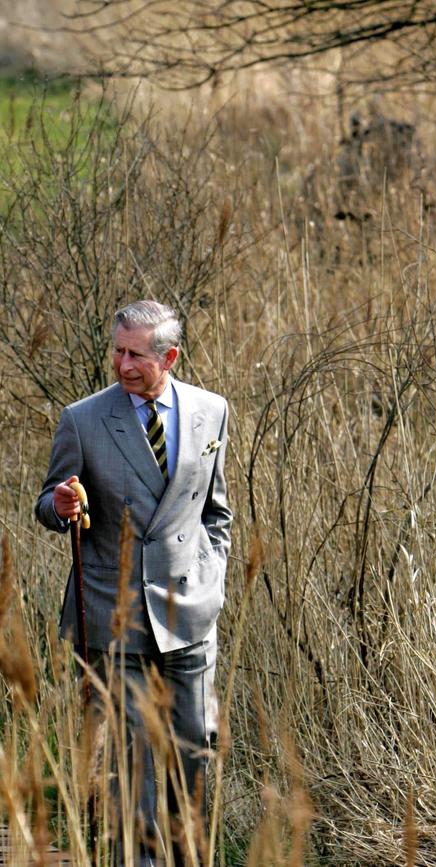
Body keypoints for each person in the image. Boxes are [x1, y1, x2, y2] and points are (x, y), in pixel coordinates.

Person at [35, 299, 233, 866]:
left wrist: (211, 577)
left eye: (136, 354)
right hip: (112, 610)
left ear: (168, 356)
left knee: (194, 745)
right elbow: (47, 503)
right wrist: (62, 503)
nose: (122, 364)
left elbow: (216, 511)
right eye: (117, 350)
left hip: (191, 611)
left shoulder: (211, 411)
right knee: (134, 755)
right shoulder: (84, 418)